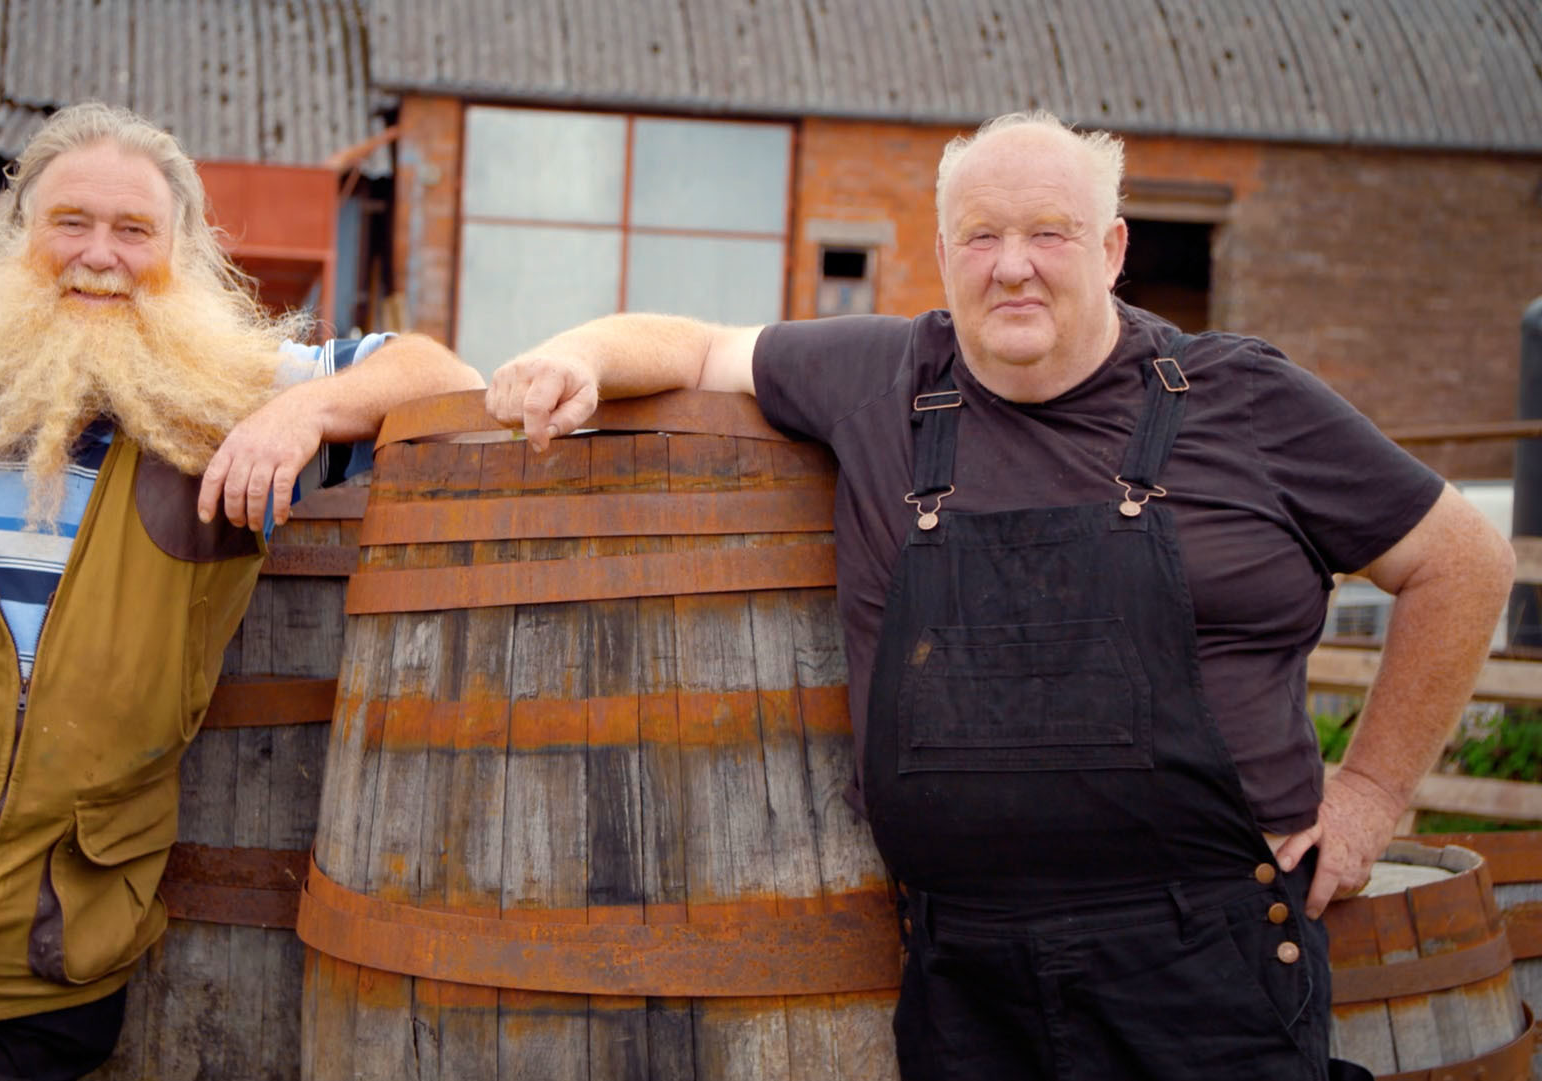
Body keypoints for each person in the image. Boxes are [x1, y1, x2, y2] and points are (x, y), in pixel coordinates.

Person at [485, 111, 1513, 1080]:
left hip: (1207, 971)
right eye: (979, 236)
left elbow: (1462, 562)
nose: (1011, 264)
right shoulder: (883, 377)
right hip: (962, 977)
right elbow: (701, 344)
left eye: (1047, 234)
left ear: (1111, 250)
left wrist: (1373, 791)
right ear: (942, 257)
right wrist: (574, 354)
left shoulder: (1245, 401)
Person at [0, 102, 481, 1080]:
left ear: (184, 254)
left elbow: (441, 371)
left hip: (52, 954)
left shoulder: (224, 396)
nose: (102, 255)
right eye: (71, 222)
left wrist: (305, 410)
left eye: (135, 230)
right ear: (18, 238)